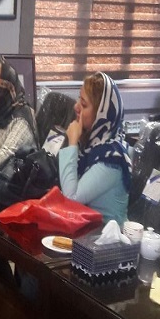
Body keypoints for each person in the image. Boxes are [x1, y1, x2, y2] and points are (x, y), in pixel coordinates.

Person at [58, 72, 131, 225]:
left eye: (84, 104)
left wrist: (72, 143)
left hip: (107, 235)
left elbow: (71, 199)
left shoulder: (112, 157)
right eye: (79, 99)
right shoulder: (93, 143)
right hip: (87, 228)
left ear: (101, 114)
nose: (76, 106)